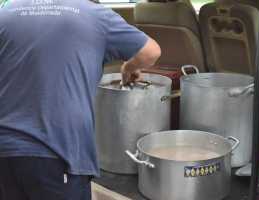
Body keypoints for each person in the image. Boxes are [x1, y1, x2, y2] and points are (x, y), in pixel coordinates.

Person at [0, 0, 161, 200]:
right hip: (59, 151)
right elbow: (151, 52)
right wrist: (128, 68)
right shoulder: (95, 15)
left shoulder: (6, 11)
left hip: (6, 149)